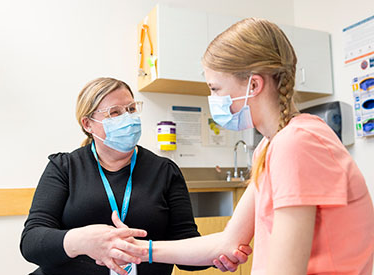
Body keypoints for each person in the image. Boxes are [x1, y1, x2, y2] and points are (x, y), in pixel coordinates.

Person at [114, 18, 374, 275]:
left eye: (216, 89)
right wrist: (141, 250)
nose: (213, 100)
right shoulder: (271, 146)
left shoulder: (297, 143)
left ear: (253, 84)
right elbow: (227, 242)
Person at [20, 77, 250, 275]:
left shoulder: (164, 171)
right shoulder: (65, 167)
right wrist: (83, 241)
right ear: (88, 124)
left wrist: (216, 254)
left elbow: (185, 244)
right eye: (115, 112)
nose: (127, 117)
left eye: (131, 109)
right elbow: (31, 242)